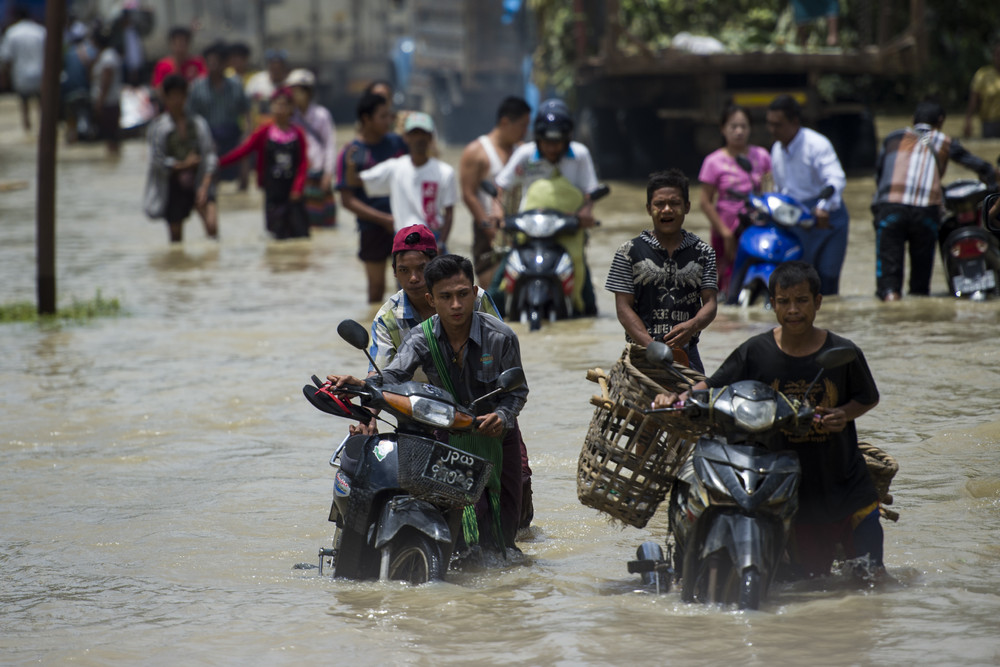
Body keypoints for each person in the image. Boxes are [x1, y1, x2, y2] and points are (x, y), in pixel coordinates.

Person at [653, 261, 883, 579]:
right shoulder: (755, 352)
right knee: (809, 584)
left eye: (802, 300)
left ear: (818, 301)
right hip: (788, 489)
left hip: (846, 484)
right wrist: (676, 399)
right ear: (772, 304)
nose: (793, 310)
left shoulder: (843, 351)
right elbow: (713, 386)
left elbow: (868, 397)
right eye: (784, 301)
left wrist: (845, 414)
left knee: (874, 578)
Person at [327, 254, 529, 550]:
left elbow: (518, 391)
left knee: (505, 533)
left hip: (496, 435)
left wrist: (502, 415)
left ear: (475, 294)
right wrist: (361, 385)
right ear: (431, 300)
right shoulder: (420, 338)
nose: (456, 305)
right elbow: (393, 375)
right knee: (453, 523)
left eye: (462, 295)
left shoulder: (501, 337)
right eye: (445, 297)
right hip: (447, 433)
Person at [872, 100, 998, 301]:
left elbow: (880, 176)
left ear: (913, 120)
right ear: (940, 121)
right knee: (921, 284)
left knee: (889, 281)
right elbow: (982, 167)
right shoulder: (944, 141)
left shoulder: (892, 138)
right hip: (926, 212)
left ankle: (892, 303)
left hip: (890, 209)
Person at [605, 169, 718, 373]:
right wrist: (651, 347)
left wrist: (692, 325)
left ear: (687, 207)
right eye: (659, 204)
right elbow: (623, 308)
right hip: (641, 354)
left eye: (674, 203)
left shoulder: (704, 252)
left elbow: (710, 303)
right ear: (649, 208)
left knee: (701, 400)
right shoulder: (628, 252)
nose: (667, 209)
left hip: (687, 354)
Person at [494, 98, 601, 315]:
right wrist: (497, 212)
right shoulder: (525, 155)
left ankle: (584, 314)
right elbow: (501, 185)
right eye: (547, 142)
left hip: (568, 230)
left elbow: (591, 192)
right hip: (528, 230)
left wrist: (586, 212)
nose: (552, 148)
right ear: (538, 139)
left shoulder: (580, 155)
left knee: (586, 295)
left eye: (558, 142)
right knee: (496, 288)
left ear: (567, 139)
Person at [767, 94, 848, 296]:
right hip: (797, 221)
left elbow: (836, 179)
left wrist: (823, 206)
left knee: (827, 280)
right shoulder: (776, 149)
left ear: (795, 122)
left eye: (778, 125)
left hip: (827, 219)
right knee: (801, 283)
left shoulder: (817, 144)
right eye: (770, 124)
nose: (772, 130)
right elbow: (780, 189)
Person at [336, 92, 408, 303]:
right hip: (372, 228)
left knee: (407, 287)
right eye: (383, 116)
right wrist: (383, 219)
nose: (389, 121)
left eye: (390, 116)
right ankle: (375, 330)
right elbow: (347, 200)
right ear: (366, 119)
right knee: (376, 289)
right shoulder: (352, 151)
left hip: (403, 226)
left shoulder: (398, 143)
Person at [698, 103, 772, 294]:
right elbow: (705, 202)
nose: (739, 131)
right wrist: (725, 233)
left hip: (756, 228)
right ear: (723, 129)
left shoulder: (762, 156)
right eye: (733, 126)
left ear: (750, 129)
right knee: (727, 283)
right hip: (727, 230)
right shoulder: (713, 161)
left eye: (743, 126)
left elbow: (771, 191)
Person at [218, 87, 309, 240]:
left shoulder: (298, 133)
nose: (280, 109)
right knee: (276, 237)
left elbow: (303, 164)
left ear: (291, 108)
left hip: (293, 194)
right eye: (277, 104)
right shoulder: (264, 132)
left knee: (300, 237)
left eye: (284, 105)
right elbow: (244, 151)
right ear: (271, 107)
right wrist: (219, 163)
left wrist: (298, 188)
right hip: (273, 193)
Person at [459, 96, 532, 285]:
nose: (526, 132)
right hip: (488, 226)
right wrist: (489, 229)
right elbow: (468, 194)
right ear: (505, 122)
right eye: (523, 126)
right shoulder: (476, 151)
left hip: (521, 226)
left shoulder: (523, 151)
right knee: (490, 285)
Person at [358, 112, 457, 249]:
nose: (419, 138)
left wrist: (441, 244)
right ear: (406, 137)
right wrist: (350, 162)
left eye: (423, 133)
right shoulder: (394, 168)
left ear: (430, 137)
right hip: (402, 238)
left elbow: (449, 213)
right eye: (414, 133)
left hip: (433, 237)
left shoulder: (445, 172)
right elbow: (360, 181)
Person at [142, 74, 218, 243]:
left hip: (199, 182)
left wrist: (205, 187)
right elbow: (157, 161)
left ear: (186, 96)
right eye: (172, 96)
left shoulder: (198, 124)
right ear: (166, 98)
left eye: (180, 95)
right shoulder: (158, 128)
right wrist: (184, 165)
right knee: (176, 238)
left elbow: (210, 156)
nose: (177, 100)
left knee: (212, 229)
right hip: (173, 186)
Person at [187, 41, 249, 183]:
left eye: (217, 61)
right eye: (210, 61)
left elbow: (246, 112)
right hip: (207, 139)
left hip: (233, 140)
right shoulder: (197, 87)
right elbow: (190, 117)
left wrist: (246, 137)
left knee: (236, 182)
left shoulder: (236, 85)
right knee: (210, 182)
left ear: (225, 63)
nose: (213, 65)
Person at [288, 68, 338, 228]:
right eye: (292, 91)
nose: (295, 95)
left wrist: (328, 174)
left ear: (308, 92)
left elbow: (330, 145)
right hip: (299, 176)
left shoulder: (322, 115)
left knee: (323, 222)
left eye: (298, 91)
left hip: (318, 174)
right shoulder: (290, 116)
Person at [0, 8, 46, 132]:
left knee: (24, 103)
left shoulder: (12, 32)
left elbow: (7, 58)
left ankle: (27, 127)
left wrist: (4, 77)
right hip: (40, 73)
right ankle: (42, 127)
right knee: (41, 103)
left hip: (21, 74)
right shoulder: (40, 31)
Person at [90, 27, 123, 157]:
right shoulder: (107, 55)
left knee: (111, 138)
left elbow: (106, 82)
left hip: (109, 103)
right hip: (110, 101)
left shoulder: (108, 57)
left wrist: (100, 101)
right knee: (111, 138)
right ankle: (113, 160)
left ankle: (113, 160)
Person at [61, 21, 95, 144]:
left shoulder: (68, 53)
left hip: (70, 94)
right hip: (86, 93)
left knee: (70, 124)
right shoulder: (91, 51)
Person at [150, 27, 205, 100]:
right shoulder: (162, 65)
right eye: (177, 42)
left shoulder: (198, 63)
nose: (180, 46)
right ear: (171, 44)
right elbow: (157, 88)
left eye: (183, 42)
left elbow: (204, 85)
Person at [244, 48, 289, 131]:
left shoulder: (289, 83)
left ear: (283, 68)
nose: (276, 70)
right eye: (273, 66)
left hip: (281, 130)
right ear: (269, 66)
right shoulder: (256, 80)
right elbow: (246, 107)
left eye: (278, 67)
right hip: (258, 127)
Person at [963, 40, 1000, 139]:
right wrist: (968, 120)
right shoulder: (983, 74)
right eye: (998, 55)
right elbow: (974, 99)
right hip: (990, 122)